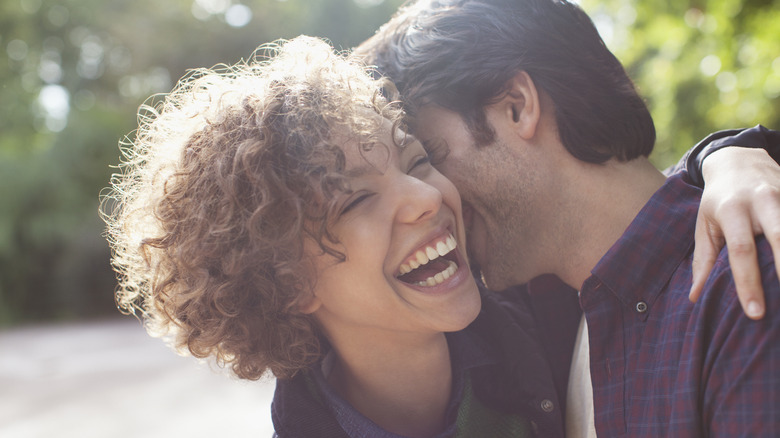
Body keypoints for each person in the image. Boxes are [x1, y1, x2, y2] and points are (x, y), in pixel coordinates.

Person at [102, 36, 580, 438]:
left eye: (416, 161)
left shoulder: (570, 322)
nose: (426, 198)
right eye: (354, 201)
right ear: (286, 282)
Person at [355, 0, 780, 436]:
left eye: (429, 157)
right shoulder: (539, 322)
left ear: (518, 106)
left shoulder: (747, 286)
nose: (430, 197)